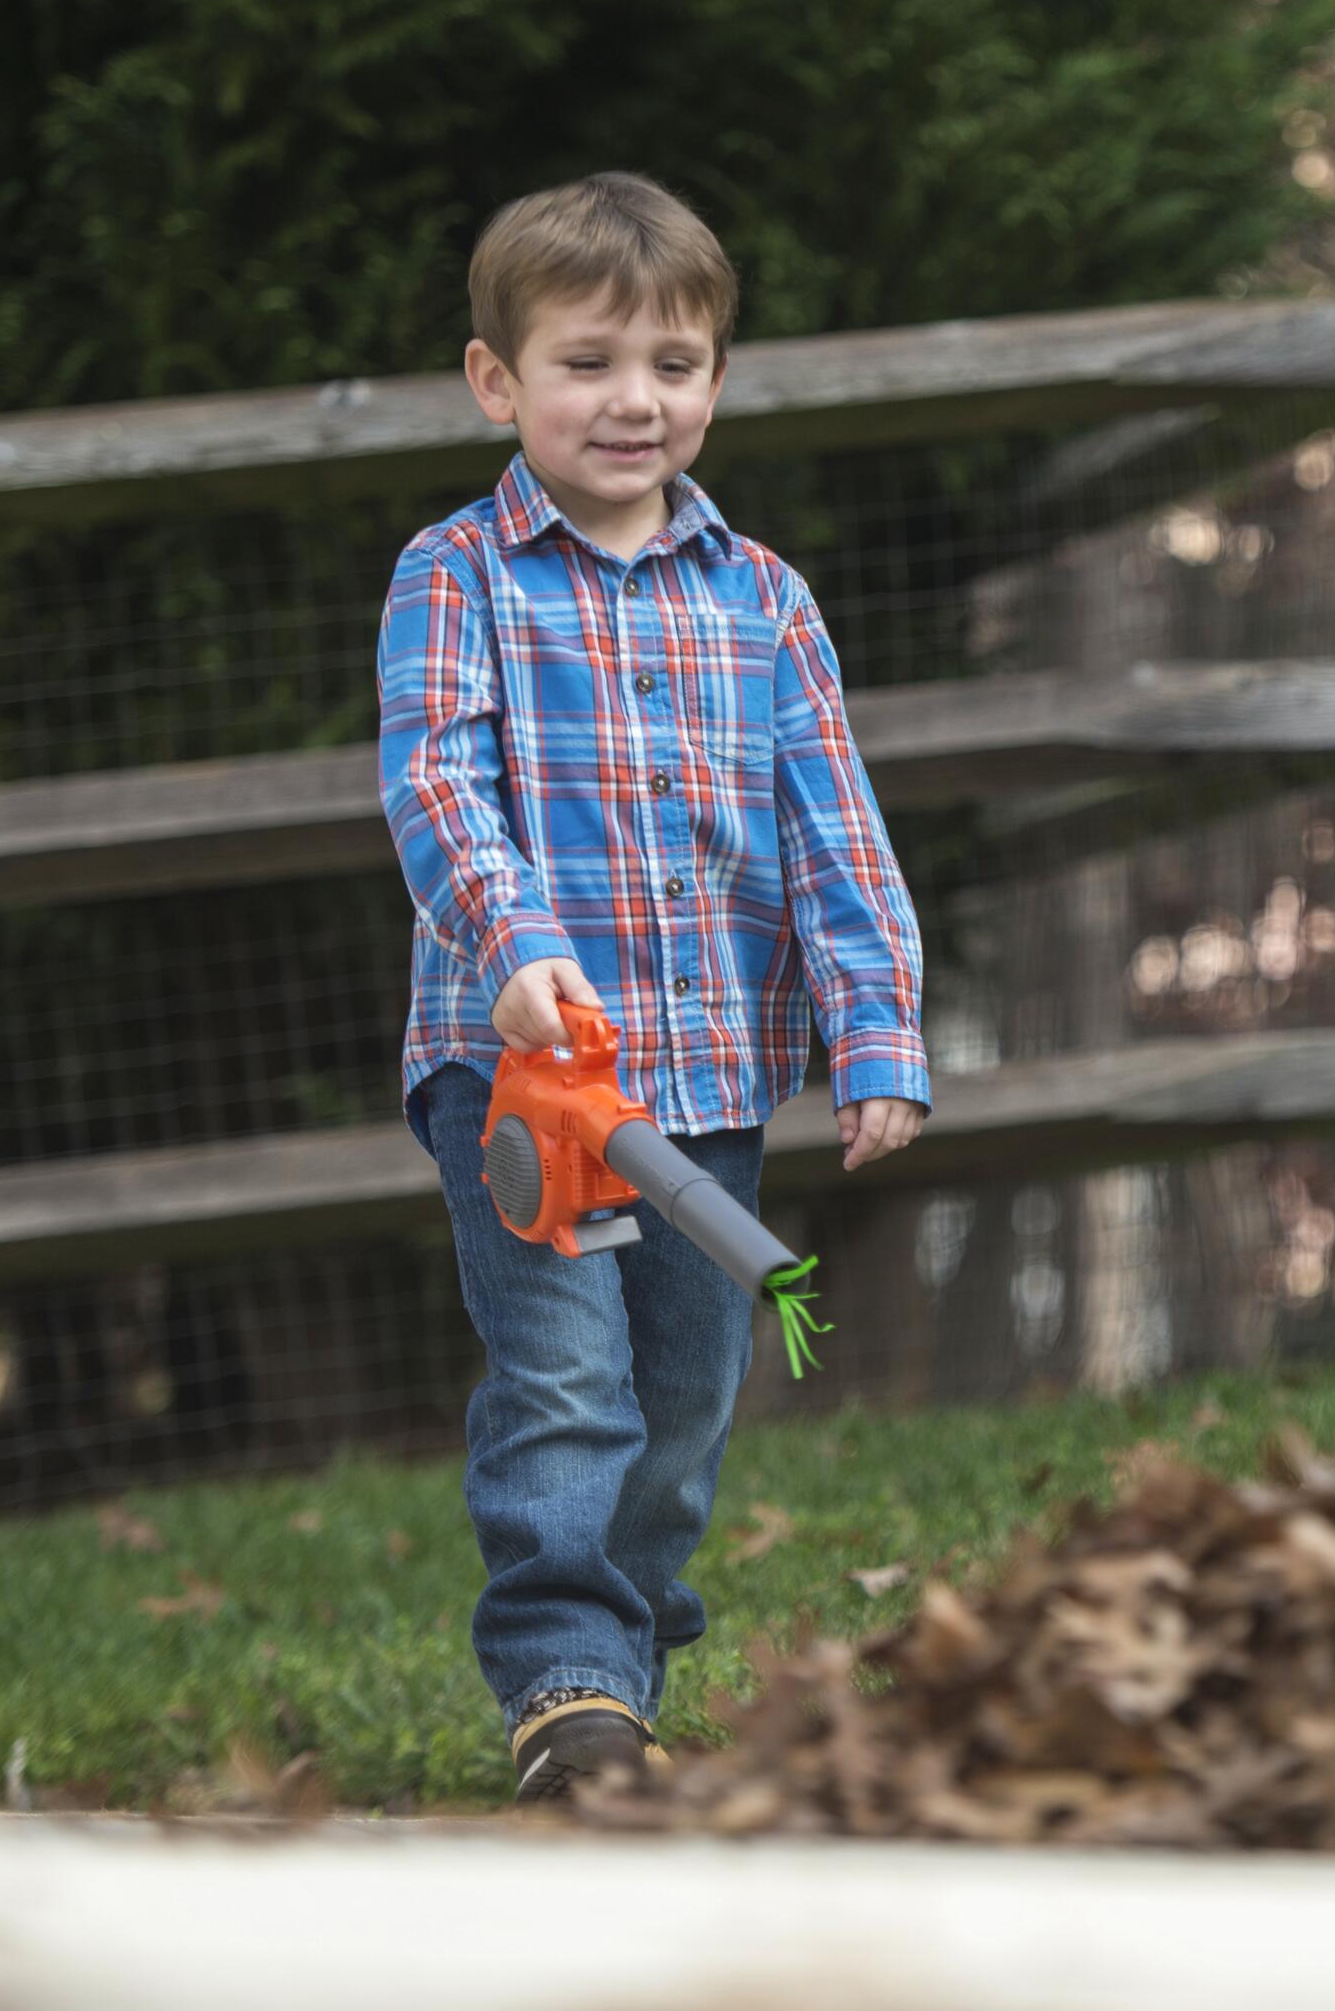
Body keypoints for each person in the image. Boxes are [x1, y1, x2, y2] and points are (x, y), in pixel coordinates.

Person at [376, 170, 931, 1802]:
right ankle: (567, 1685)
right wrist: (513, 939)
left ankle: (630, 1656)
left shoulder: (764, 601)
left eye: (673, 364)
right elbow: (434, 781)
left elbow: (838, 827)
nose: (635, 401)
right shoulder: (458, 573)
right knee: (564, 1375)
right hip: (524, 1081)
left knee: (683, 1393)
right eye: (589, 362)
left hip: (706, 1080)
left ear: (716, 381)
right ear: (500, 381)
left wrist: (876, 1026)